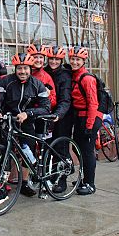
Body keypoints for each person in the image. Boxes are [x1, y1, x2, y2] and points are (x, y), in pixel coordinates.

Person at [0, 52, 51, 197]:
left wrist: (28, 113)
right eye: (19, 68)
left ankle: (24, 183)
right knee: (6, 152)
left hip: (27, 122)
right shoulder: (5, 82)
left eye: (25, 68)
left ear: (30, 69)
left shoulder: (37, 84)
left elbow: (46, 107)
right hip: (8, 121)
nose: (22, 72)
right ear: (15, 68)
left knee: (28, 152)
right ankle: (2, 187)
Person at [68, 45, 101, 195]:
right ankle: (83, 178)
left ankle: (90, 184)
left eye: (78, 60)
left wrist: (89, 126)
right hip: (80, 118)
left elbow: (93, 103)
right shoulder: (74, 75)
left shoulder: (87, 79)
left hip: (90, 118)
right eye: (72, 59)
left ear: (83, 61)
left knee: (87, 152)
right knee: (78, 148)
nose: (74, 62)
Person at [44, 45, 74, 193]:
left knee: (60, 147)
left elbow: (65, 99)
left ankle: (62, 180)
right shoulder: (44, 72)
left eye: (57, 59)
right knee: (49, 146)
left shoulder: (65, 75)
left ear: (61, 60)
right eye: (51, 58)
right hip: (47, 115)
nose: (53, 61)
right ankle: (52, 173)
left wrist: (59, 114)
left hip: (63, 116)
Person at [27, 44, 57, 109]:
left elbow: (53, 102)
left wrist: (47, 95)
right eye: (35, 57)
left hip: (39, 113)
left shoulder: (47, 77)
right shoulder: (22, 74)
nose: (38, 60)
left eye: (41, 57)